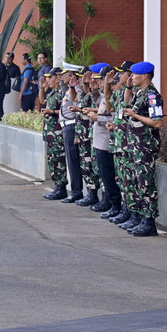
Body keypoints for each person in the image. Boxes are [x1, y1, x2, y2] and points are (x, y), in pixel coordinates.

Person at [122, 61, 163, 236]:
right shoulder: (140, 94)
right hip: (136, 145)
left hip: (145, 146)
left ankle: (149, 221)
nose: (131, 77)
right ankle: (138, 216)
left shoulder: (153, 96)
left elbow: (157, 122)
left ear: (144, 75)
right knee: (136, 182)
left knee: (146, 184)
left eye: (134, 74)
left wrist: (134, 115)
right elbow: (127, 103)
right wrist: (129, 87)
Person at [83, 65, 122, 215]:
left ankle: (114, 204)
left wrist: (97, 118)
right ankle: (111, 204)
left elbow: (113, 117)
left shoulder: (114, 96)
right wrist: (92, 91)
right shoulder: (106, 95)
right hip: (100, 139)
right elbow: (99, 107)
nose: (98, 83)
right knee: (103, 174)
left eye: (101, 80)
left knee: (110, 176)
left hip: (107, 140)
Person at [105, 61, 135, 225]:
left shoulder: (134, 92)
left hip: (130, 144)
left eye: (121, 73)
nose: (118, 76)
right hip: (119, 142)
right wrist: (107, 86)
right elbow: (109, 107)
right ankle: (125, 210)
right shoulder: (121, 91)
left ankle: (133, 213)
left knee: (131, 181)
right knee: (122, 179)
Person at [68, 66, 101, 207]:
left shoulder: (97, 93)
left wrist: (87, 86)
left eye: (87, 77)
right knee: (85, 166)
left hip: (90, 134)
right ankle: (90, 193)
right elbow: (75, 100)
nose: (84, 79)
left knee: (92, 166)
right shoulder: (85, 91)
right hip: (82, 133)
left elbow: (95, 107)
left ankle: (95, 195)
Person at [40, 67, 68, 200]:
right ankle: (57, 186)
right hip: (50, 132)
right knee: (52, 160)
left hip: (57, 132)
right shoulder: (51, 93)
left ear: (57, 78)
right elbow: (42, 102)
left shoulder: (62, 93)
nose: (48, 80)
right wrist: (41, 88)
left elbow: (65, 111)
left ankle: (61, 187)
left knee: (59, 160)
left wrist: (51, 112)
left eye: (50, 78)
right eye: (47, 77)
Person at [59, 65, 84, 203]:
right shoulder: (68, 89)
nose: (62, 77)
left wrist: (73, 86)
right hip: (66, 126)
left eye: (65, 74)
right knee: (70, 160)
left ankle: (76, 191)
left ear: (72, 76)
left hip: (71, 126)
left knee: (73, 160)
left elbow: (75, 101)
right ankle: (75, 190)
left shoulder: (77, 89)